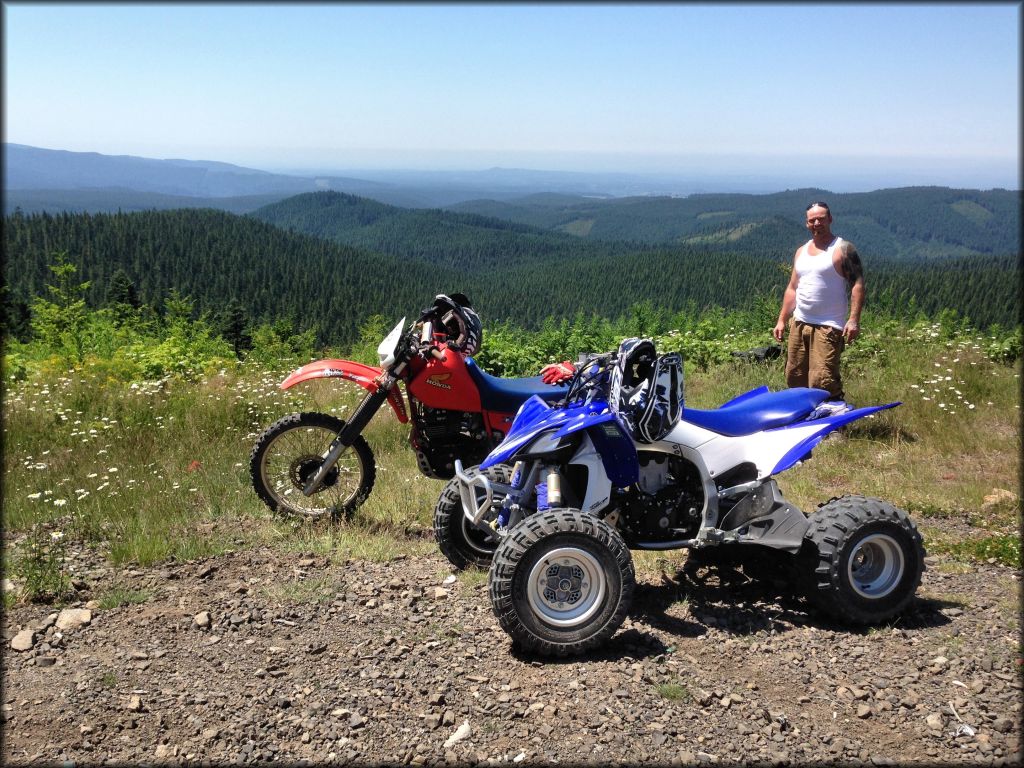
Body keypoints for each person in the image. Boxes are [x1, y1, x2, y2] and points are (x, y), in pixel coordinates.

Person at [773, 201, 864, 402]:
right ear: (806, 224)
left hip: (828, 326)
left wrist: (853, 320)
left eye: (821, 219)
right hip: (799, 322)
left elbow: (857, 284)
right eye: (812, 220)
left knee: (823, 380)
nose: (816, 223)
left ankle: (835, 427)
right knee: (794, 376)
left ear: (830, 219)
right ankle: (804, 420)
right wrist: (781, 320)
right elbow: (792, 288)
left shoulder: (843, 249)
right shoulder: (801, 251)